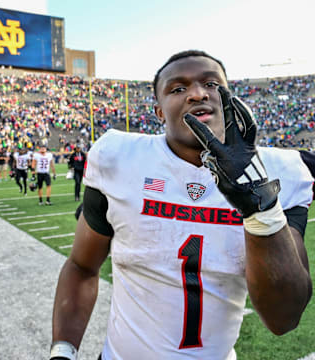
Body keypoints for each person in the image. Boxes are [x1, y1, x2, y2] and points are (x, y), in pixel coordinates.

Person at [50, 50, 313, 360]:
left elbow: (284, 317)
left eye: (212, 84)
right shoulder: (119, 158)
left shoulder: (279, 169)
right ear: (159, 112)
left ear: (229, 97)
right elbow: (82, 266)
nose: (198, 93)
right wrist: (63, 352)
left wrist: (261, 210)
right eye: (178, 88)